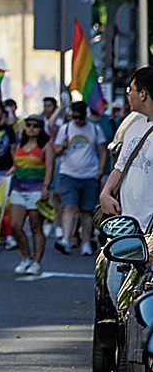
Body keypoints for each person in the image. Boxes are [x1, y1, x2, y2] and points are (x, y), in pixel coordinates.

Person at [51, 99, 107, 255]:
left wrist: (101, 170)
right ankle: (66, 239)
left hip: (90, 174)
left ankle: (86, 242)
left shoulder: (95, 129)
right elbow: (55, 151)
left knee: (86, 211)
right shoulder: (65, 129)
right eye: (75, 117)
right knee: (68, 206)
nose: (77, 120)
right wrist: (61, 147)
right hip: (68, 173)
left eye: (80, 117)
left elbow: (102, 150)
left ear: (85, 115)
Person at [100, 67, 153, 223]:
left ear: (143, 94)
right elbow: (120, 167)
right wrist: (105, 193)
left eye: (131, 89)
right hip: (127, 225)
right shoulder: (133, 126)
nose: (128, 94)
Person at [7, 115, 51, 276]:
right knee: (15, 225)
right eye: (29, 125)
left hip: (36, 189)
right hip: (19, 188)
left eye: (36, 126)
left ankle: (37, 261)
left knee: (35, 226)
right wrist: (12, 170)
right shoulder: (20, 144)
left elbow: (49, 168)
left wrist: (46, 188)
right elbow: (16, 164)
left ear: (41, 129)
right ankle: (26, 257)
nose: (31, 128)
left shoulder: (46, 146)